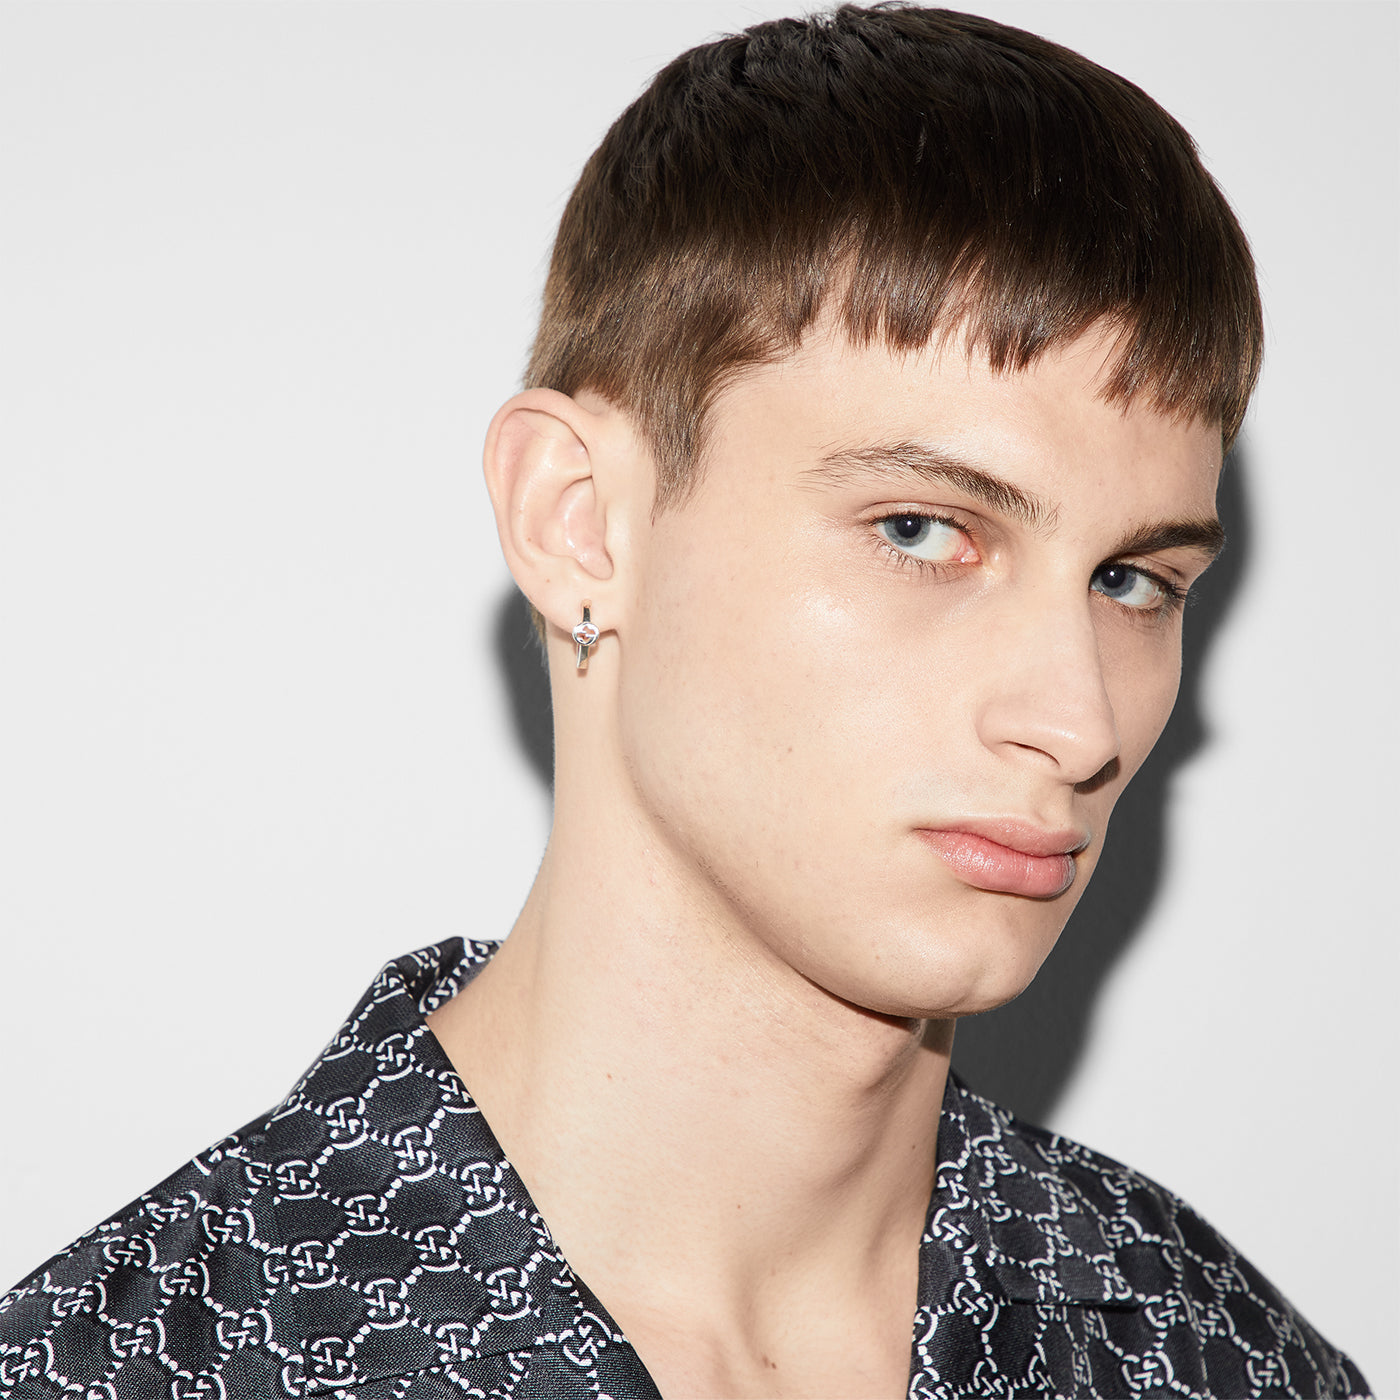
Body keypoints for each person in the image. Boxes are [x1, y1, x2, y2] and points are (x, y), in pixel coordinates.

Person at [0, 5, 1373, 1397]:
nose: (1078, 725)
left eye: (1133, 579)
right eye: (919, 531)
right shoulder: (126, 1368)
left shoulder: (1214, 1357)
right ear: (580, 522)